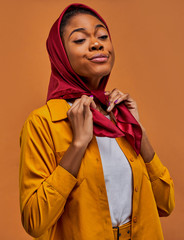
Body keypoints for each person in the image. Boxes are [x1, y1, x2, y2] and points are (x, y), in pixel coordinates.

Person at [19, 3, 175, 240]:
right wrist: (78, 145)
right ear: (60, 54)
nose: (97, 43)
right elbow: (34, 221)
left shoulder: (120, 115)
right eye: (80, 40)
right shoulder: (43, 123)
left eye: (102, 36)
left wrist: (139, 132)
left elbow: (166, 204)